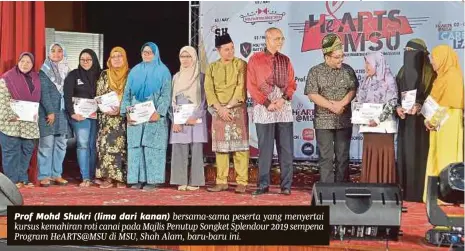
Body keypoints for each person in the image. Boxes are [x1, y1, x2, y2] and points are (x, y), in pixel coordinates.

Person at [247, 27, 296, 195]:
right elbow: (252, 85)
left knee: (286, 149)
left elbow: (291, 83)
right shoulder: (256, 59)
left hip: (283, 107)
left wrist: (283, 99)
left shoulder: (286, 60)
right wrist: (267, 102)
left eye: (281, 39)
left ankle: (286, 186)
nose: (280, 42)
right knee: (265, 150)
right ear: (267, 39)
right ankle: (263, 185)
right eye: (276, 39)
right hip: (264, 108)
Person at [304, 33, 358, 183]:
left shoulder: (348, 70)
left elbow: (353, 90)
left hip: (344, 119)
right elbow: (312, 93)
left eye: (342, 56)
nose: (341, 59)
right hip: (323, 121)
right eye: (337, 57)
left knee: (343, 156)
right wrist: (331, 106)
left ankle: (342, 187)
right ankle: (327, 190)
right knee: (326, 156)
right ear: (327, 57)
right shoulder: (315, 71)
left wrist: (341, 104)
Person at [120, 42, 172, 190]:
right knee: (136, 147)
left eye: (150, 52)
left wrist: (159, 112)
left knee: (153, 148)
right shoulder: (135, 71)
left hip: (154, 118)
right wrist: (126, 113)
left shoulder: (163, 71)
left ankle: (152, 181)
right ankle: (137, 179)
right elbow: (127, 94)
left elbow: (166, 95)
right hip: (136, 117)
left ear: (156, 54)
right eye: (144, 52)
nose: (147, 54)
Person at [204, 33, 250, 194]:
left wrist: (228, 107)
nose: (230, 52)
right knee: (221, 148)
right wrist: (220, 108)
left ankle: (242, 182)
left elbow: (241, 87)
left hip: (236, 109)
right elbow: (209, 89)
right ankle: (221, 181)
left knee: (240, 148)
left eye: (232, 49)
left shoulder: (241, 64)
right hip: (219, 111)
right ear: (218, 50)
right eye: (226, 49)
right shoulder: (212, 67)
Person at [395, 39, 436, 202]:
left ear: (420, 53)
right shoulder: (402, 72)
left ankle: (421, 191)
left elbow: (436, 98)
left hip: (423, 125)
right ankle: (404, 191)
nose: (407, 54)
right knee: (405, 155)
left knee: (421, 156)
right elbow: (395, 93)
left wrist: (421, 105)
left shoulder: (431, 73)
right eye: (405, 50)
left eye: (410, 50)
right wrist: (398, 107)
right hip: (405, 122)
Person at [423, 45, 463, 203]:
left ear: (443, 58)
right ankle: (437, 193)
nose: (432, 62)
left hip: (448, 123)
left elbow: (447, 105)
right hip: (441, 123)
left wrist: (431, 121)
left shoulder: (451, 76)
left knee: (446, 157)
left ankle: (447, 194)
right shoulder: (443, 75)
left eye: (434, 58)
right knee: (438, 155)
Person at [0, 52, 41, 188]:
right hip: (11, 122)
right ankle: (12, 181)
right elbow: (2, 100)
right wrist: (10, 115)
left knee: (27, 150)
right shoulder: (7, 78)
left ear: (32, 64)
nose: (25, 64)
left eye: (28, 62)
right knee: (11, 152)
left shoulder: (35, 78)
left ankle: (23, 178)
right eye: (22, 61)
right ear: (18, 62)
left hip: (29, 123)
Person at [169, 46, 208, 191]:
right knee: (179, 148)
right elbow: (172, 100)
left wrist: (195, 116)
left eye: (188, 56)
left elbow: (205, 100)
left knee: (197, 149)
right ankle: (180, 180)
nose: (185, 59)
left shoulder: (201, 77)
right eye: (182, 56)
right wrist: (175, 120)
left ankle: (195, 181)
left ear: (194, 58)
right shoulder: (176, 77)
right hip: (179, 119)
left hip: (196, 118)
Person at [356, 52, 398, 183]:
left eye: (368, 63)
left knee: (382, 158)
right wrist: (358, 115)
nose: (366, 66)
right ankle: (369, 186)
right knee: (370, 157)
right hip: (369, 127)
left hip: (383, 128)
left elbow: (392, 102)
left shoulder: (388, 79)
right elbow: (359, 100)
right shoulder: (365, 80)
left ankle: (385, 189)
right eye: (366, 62)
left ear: (377, 64)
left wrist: (378, 120)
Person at [64, 49, 102, 187]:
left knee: (93, 146)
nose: (85, 62)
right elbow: (67, 96)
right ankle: (85, 177)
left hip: (97, 116)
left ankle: (92, 176)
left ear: (94, 60)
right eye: (82, 59)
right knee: (83, 145)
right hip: (80, 117)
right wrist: (72, 113)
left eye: (88, 59)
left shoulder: (101, 75)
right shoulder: (73, 75)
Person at [38, 43, 72, 187]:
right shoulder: (43, 71)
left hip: (63, 113)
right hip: (47, 112)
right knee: (46, 144)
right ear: (48, 53)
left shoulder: (68, 71)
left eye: (59, 51)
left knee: (61, 145)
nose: (56, 54)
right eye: (53, 51)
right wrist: (50, 112)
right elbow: (44, 93)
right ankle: (44, 176)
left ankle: (56, 174)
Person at [95, 46, 129, 189]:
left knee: (122, 148)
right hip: (107, 118)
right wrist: (106, 109)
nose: (116, 59)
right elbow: (99, 94)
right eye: (113, 56)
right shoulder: (104, 74)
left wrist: (121, 109)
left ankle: (121, 178)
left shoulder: (130, 74)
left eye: (119, 56)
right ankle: (108, 178)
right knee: (106, 147)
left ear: (124, 58)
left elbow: (132, 95)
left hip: (123, 119)